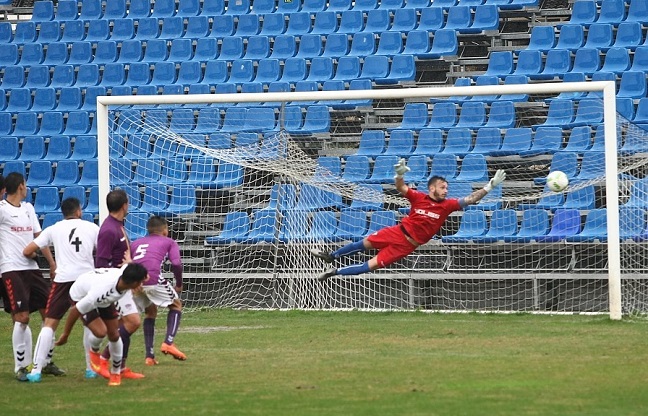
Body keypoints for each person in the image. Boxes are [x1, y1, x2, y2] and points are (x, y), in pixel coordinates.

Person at [311, 159, 507, 280]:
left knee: (368, 266)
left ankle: (334, 272)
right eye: (443, 187)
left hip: (407, 246)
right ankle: (332, 255)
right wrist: (399, 175)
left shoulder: (448, 205)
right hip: (396, 232)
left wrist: (489, 187)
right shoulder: (418, 197)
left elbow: (470, 199)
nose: (446, 190)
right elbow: (401, 188)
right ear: (432, 188)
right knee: (362, 244)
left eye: (447, 188)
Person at [23, 197, 100, 383]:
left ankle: (36, 370)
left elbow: (28, 250)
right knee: (89, 323)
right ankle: (91, 369)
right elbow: (103, 250)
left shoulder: (54, 228)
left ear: (63, 213)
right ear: (79, 211)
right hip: (86, 279)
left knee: (49, 324)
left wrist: (40, 258)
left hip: (63, 279)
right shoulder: (92, 228)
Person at [0, 172, 58, 381]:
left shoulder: (29, 209)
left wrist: (51, 263)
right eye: (25, 185)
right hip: (11, 269)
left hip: (32, 268)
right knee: (22, 317)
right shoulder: (2, 210)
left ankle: (46, 361)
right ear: (20, 187)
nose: (27, 188)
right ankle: (20, 367)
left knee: (49, 313)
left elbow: (39, 238)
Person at [55, 262, 149, 386]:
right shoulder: (101, 292)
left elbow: (128, 265)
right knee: (100, 332)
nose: (142, 284)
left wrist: (143, 273)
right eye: (141, 281)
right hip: (80, 295)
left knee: (114, 335)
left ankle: (115, 374)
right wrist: (65, 334)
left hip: (103, 296)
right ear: (134, 283)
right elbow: (75, 310)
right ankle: (94, 352)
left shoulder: (124, 277)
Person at [95, 189, 144, 379]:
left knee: (125, 323)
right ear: (124, 205)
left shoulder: (117, 225)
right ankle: (104, 359)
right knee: (133, 322)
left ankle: (121, 366)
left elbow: (123, 258)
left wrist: (131, 273)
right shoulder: (108, 230)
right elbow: (101, 263)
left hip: (123, 283)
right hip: (115, 285)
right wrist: (122, 274)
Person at [130, 215, 186, 365]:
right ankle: (169, 342)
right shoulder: (169, 241)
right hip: (152, 278)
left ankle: (150, 356)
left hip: (134, 283)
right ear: (165, 230)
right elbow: (176, 264)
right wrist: (179, 283)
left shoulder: (135, 243)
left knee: (150, 312)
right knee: (176, 305)